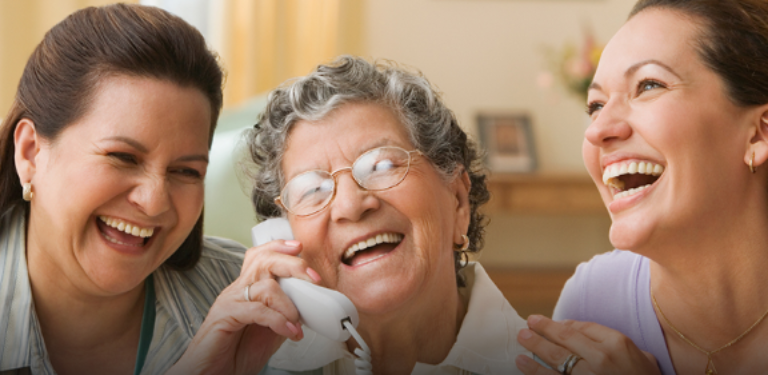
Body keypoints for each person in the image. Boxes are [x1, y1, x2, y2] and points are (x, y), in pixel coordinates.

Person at [0, 4, 310, 374]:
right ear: (30, 153)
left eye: (185, 171)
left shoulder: (258, 308)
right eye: (123, 157)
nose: (153, 202)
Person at [513, 0, 768, 374]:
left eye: (649, 85)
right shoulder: (591, 303)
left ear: (759, 133)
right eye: (595, 105)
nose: (597, 130)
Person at [244, 55, 532, 374]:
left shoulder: (546, 365)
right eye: (311, 190)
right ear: (284, 236)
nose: (350, 205)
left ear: (458, 201)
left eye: (381, 166)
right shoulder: (249, 363)